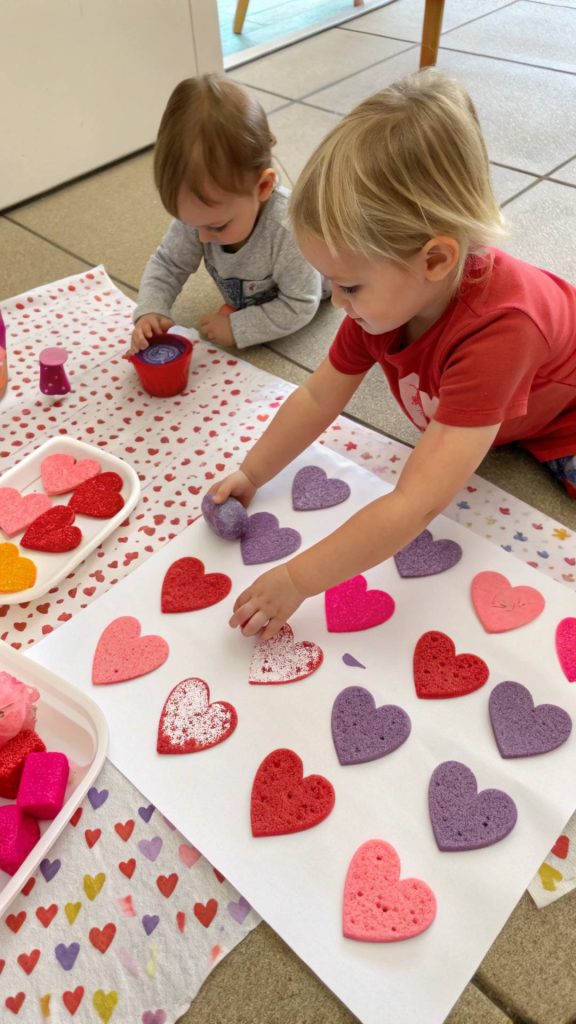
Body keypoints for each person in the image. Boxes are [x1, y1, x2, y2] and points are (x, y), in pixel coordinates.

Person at [210, 69, 576, 640]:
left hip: (564, 418)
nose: (335, 300)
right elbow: (316, 394)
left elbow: (415, 503)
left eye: (349, 286)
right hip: (506, 412)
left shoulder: (501, 333)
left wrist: (299, 579)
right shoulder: (380, 304)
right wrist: (252, 472)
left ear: (435, 261)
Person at [130, 75, 321, 353]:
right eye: (193, 225)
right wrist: (151, 309)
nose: (203, 237)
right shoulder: (203, 218)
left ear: (263, 187)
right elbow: (169, 263)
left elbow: (301, 303)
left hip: (316, 285)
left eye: (217, 227)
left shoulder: (288, 231)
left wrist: (239, 326)